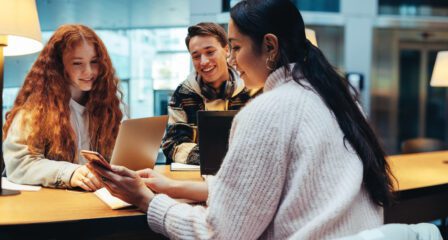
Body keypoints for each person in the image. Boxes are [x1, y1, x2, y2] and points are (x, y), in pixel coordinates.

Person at [89, 0, 395, 239]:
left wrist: (146, 200)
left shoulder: (266, 111)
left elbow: (218, 233)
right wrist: (173, 187)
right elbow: (264, 190)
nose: (231, 60)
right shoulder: (340, 97)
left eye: (234, 47)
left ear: (270, 47)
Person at [3, 24, 123, 191]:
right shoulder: (35, 110)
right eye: (77, 63)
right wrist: (71, 173)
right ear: (59, 66)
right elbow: (20, 164)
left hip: (98, 202)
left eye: (94, 62)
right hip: (52, 207)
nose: (89, 71)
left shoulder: (104, 105)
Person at [161, 22, 256, 165]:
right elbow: (172, 143)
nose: (204, 62)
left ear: (226, 50)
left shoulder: (251, 89)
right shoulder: (183, 93)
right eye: (196, 56)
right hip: (192, 178)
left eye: (210, 52)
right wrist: (209, 156)